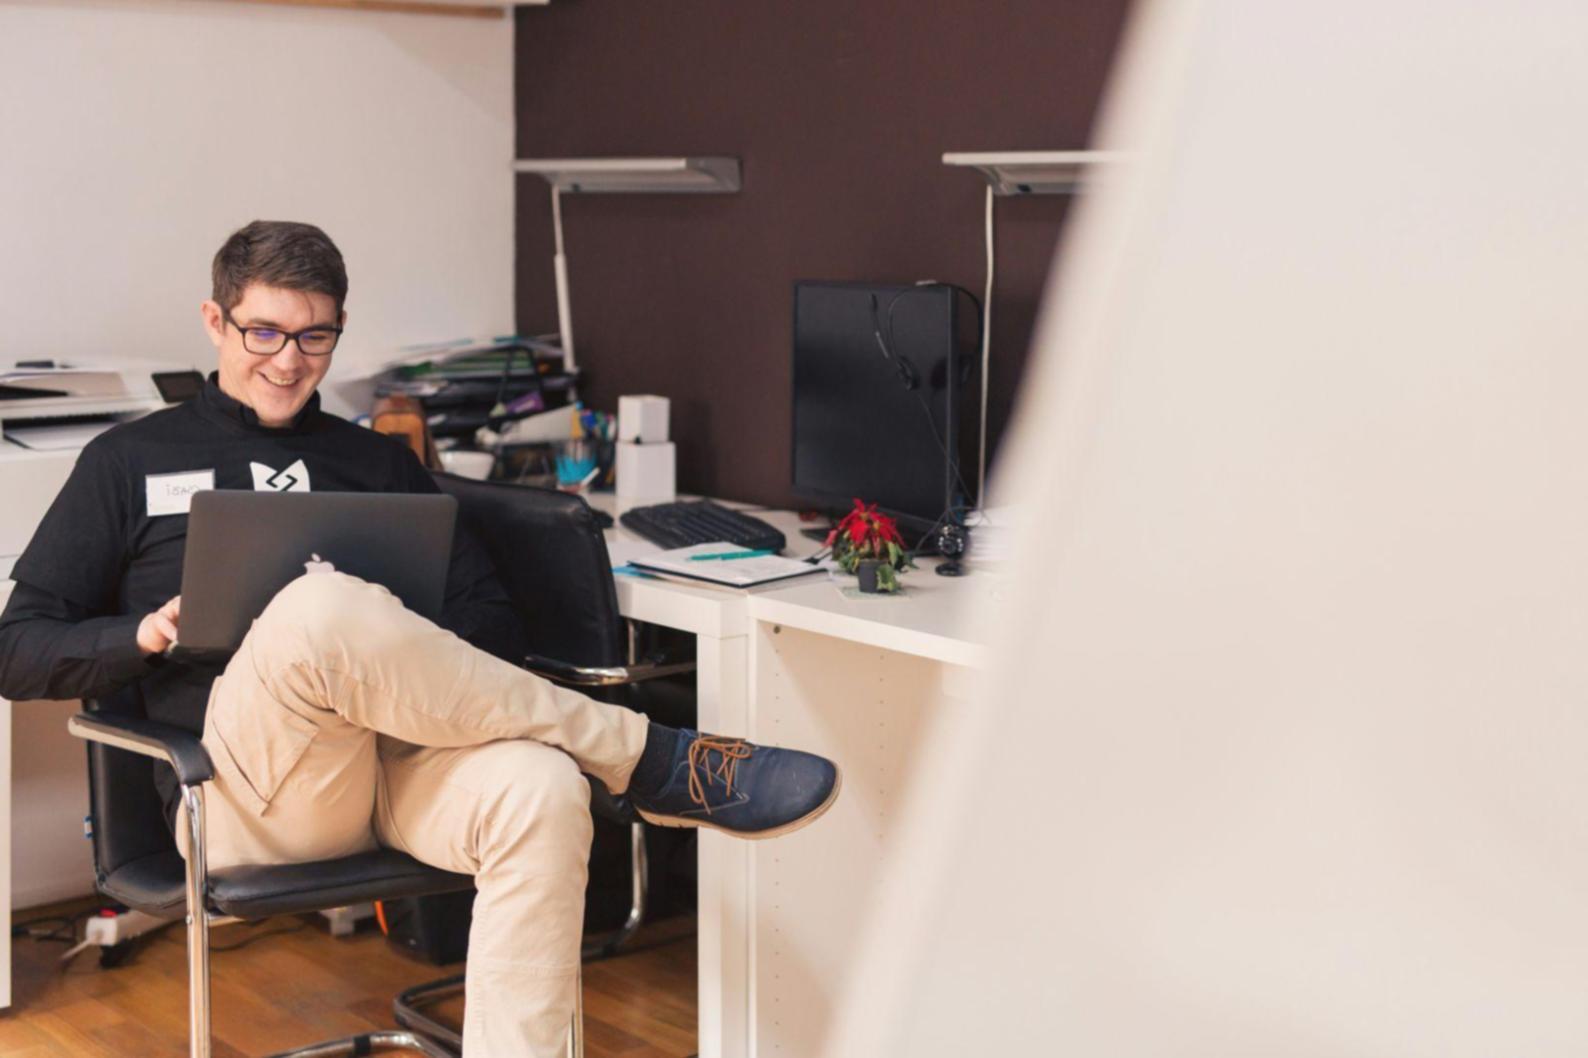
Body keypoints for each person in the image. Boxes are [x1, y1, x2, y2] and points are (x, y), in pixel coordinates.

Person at [0, 220, 840, 1056]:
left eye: (314, 335)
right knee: (316, 608)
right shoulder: (126, 462)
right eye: (264, 331)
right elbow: (17, 649)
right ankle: (649, 758)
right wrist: (142, 635)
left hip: (403, 763)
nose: (289, 360)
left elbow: (491, 630)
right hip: (244, 792)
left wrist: (394, 631)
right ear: (216, 322)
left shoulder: (377, 461)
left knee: (541, 786)